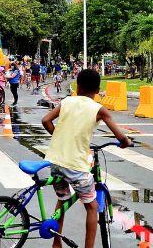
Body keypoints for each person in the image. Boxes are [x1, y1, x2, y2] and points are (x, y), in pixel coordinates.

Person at [42, 69, 131, 248]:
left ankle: (56, 243)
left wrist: (59, 138)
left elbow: (46, 120)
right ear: (98, 90)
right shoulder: (99, 109)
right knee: (91, 207)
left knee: (63, 201)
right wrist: (125, 141)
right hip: (75, 165)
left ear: (77, 86)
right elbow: (120, 136)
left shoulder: (67, 101)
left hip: (56, 161)